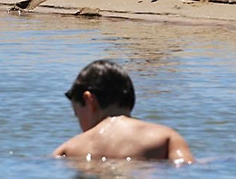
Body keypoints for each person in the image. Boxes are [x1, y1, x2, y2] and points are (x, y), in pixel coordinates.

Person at [54, 60, 193, 164]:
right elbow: (186, 168)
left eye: (77, 114)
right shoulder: (165, 138)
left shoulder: (68, 149)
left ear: (89, 100)